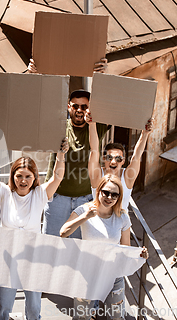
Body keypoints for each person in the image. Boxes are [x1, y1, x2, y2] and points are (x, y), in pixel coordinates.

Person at [0, 137, 69, 320]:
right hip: (6, 260)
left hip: (33, 260)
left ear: (35, 177)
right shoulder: (4, 193)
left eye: (28, 176)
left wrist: (61, 155)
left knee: (34, 309)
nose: (23, 180)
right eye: (19, 176)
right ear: (12, 176)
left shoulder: (40, 194)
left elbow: (58, 176)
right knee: (3, 308)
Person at [27, 58, 110, 239]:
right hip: (57, 199)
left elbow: (111, 104)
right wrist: (34, 76)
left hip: (85, 200)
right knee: (51, 243)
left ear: (90, 108)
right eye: (75, 106)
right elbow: (38, 105)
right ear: (68, 107)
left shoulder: (97, 127)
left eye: (84, 106)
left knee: (78, 249)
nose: (79, 110)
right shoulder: (57, 124)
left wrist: (103, 76)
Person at [59, 174, 148, 320]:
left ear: (119, 197)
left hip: (113, 273)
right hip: (86, 272)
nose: (109, 197)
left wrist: (139, 255)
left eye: (114, 194)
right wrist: (85, 217)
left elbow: (126, 248)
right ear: (98, 190)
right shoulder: (84, 210)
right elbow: (63, 233)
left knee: (116, 316)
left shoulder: (122, 217)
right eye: (106, 192)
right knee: (82, 317)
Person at [88, 115, 154, 210]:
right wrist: (91, 124)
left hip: (120, 223)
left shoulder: (127, 176)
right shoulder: (97, 175)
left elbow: (137, 156)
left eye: (118, 159)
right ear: (103, 159)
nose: (113, 162)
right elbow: (94, 149)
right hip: (99, 222)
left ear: (123, 161)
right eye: (109, 157)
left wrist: (145, 133)